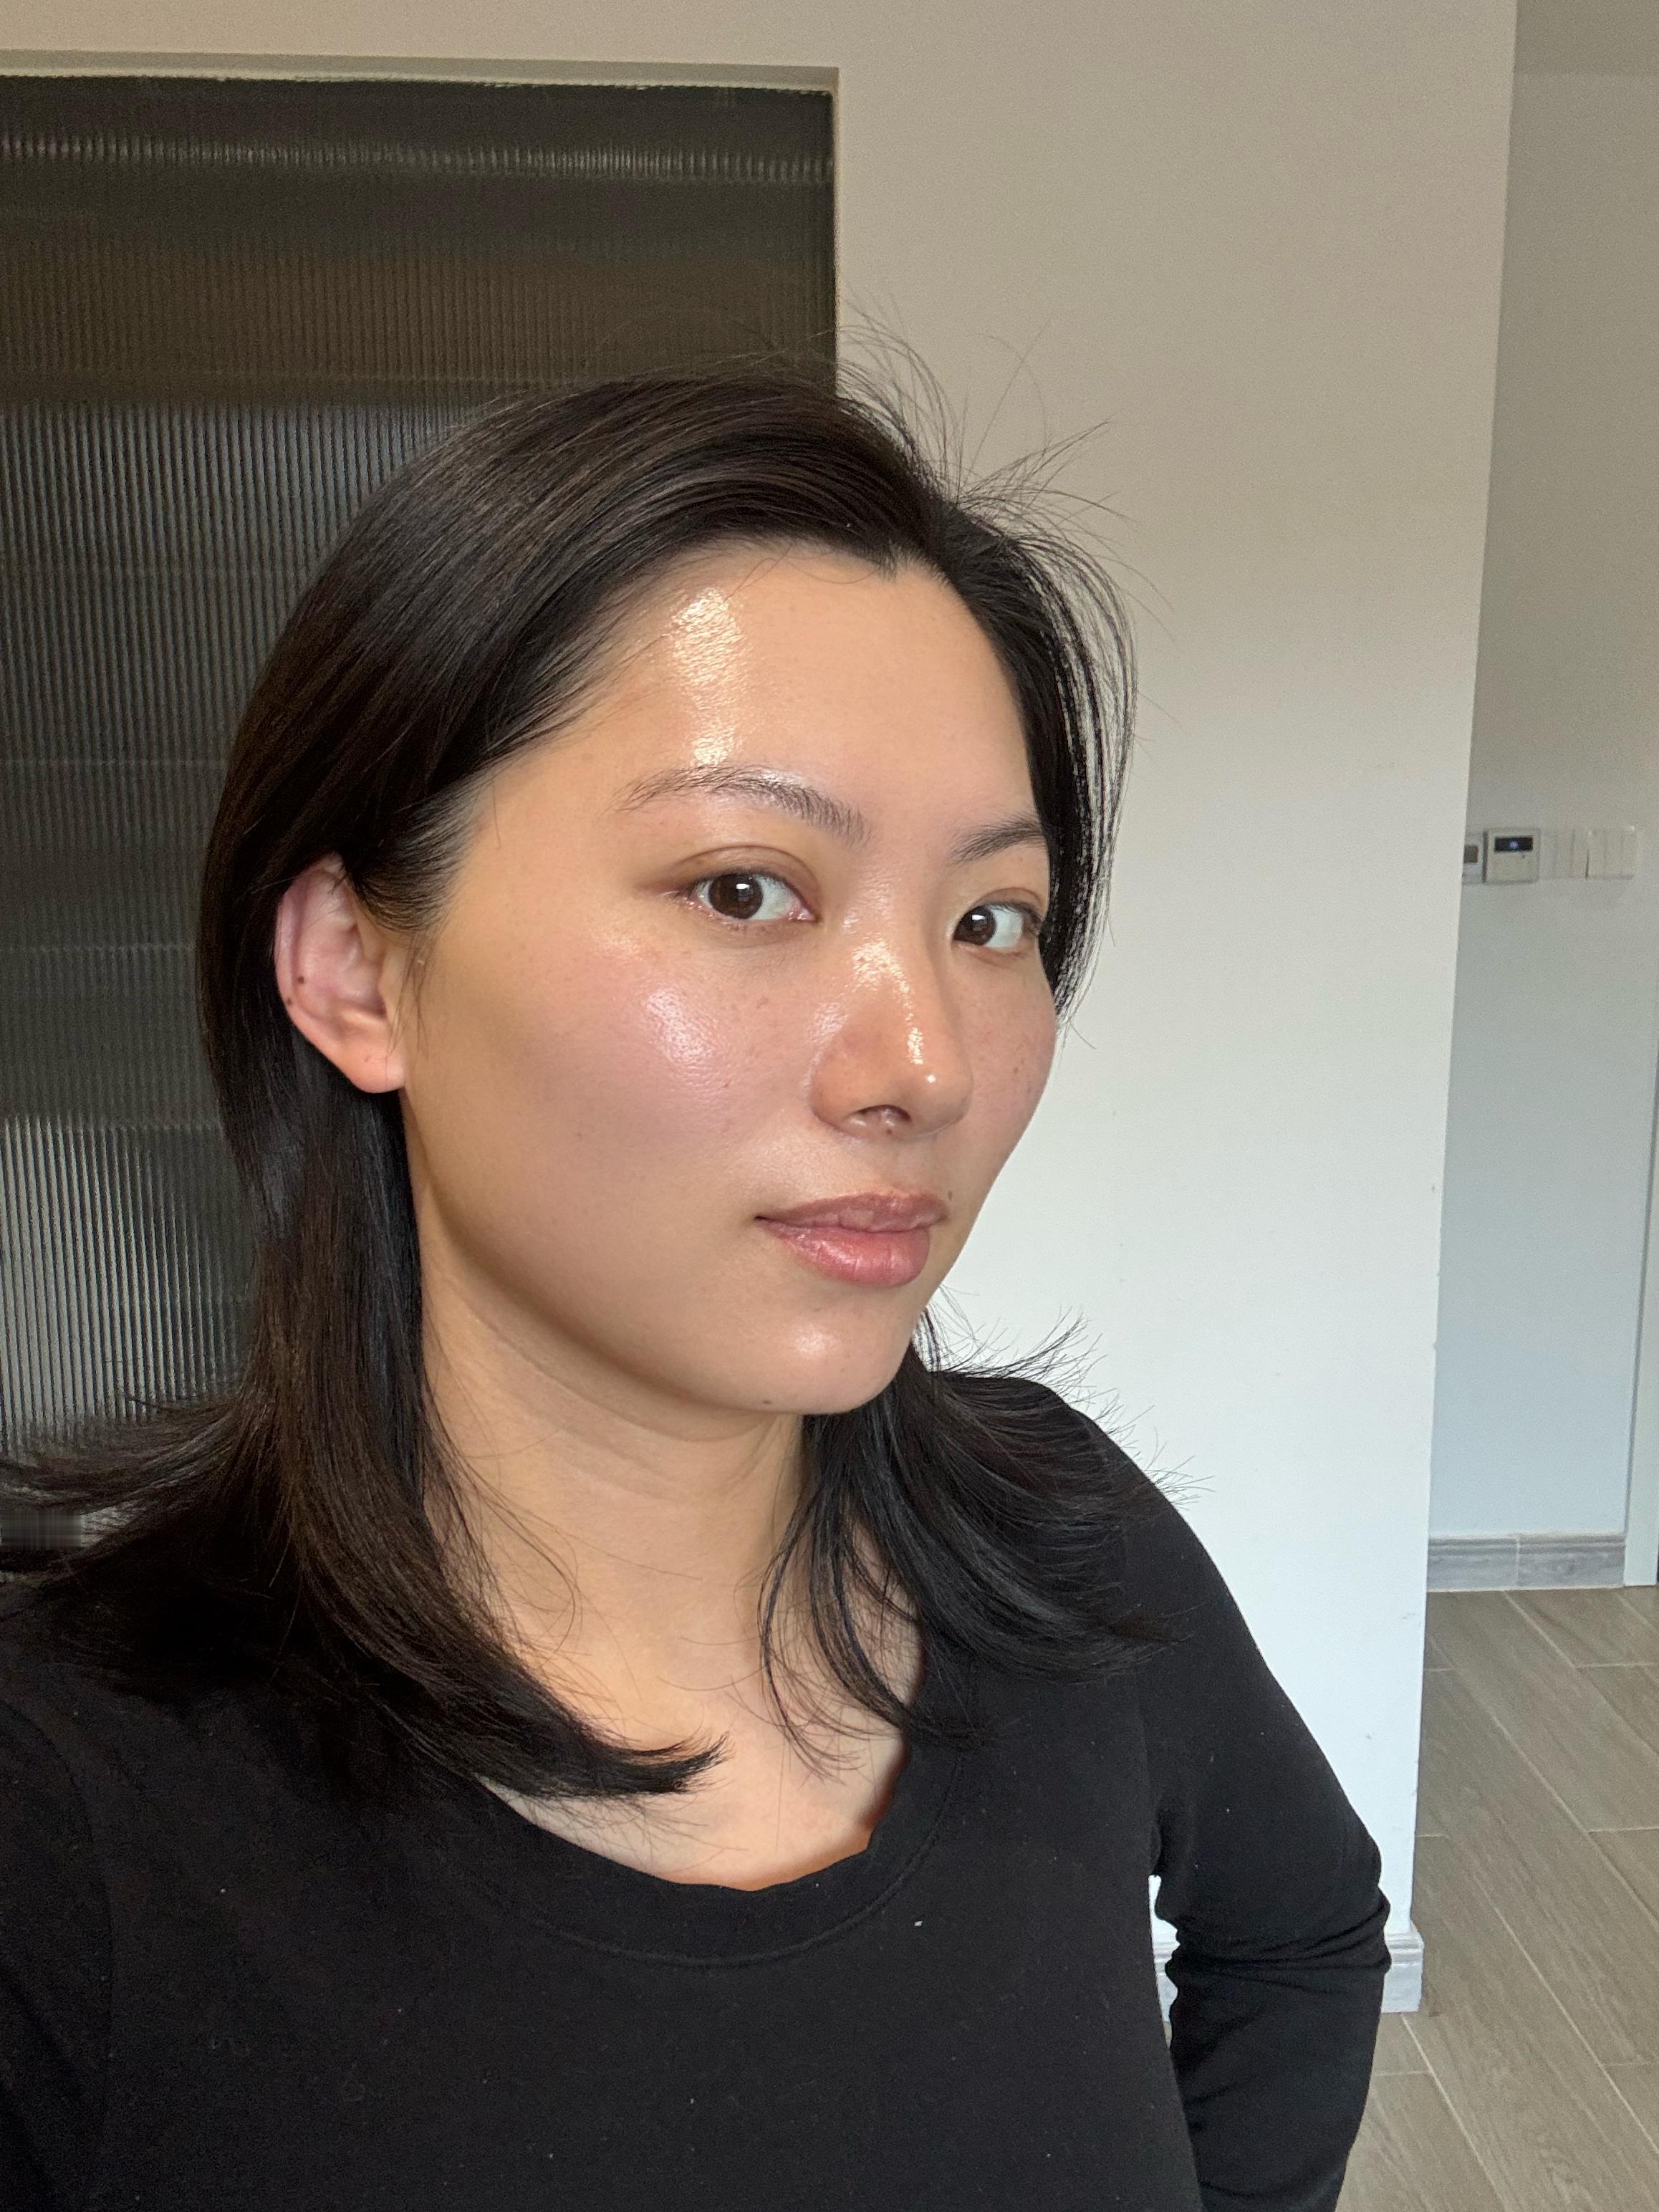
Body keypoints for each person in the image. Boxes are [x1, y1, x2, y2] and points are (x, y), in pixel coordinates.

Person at [0, 369, 1388, 2211]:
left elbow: (1305, 1932)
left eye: (990, 921)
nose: (925, 1062)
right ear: (356, 968)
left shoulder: (1065, 1540)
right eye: (746, 888)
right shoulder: (67, 1814)